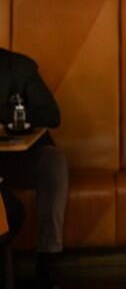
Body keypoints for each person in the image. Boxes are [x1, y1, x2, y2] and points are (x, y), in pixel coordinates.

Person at [0, 48, 69, 288]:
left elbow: (52, 114)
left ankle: (47, 261)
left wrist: (10, 115)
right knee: (11, 208)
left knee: (53, 161)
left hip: (19, 157)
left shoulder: (18, 67)